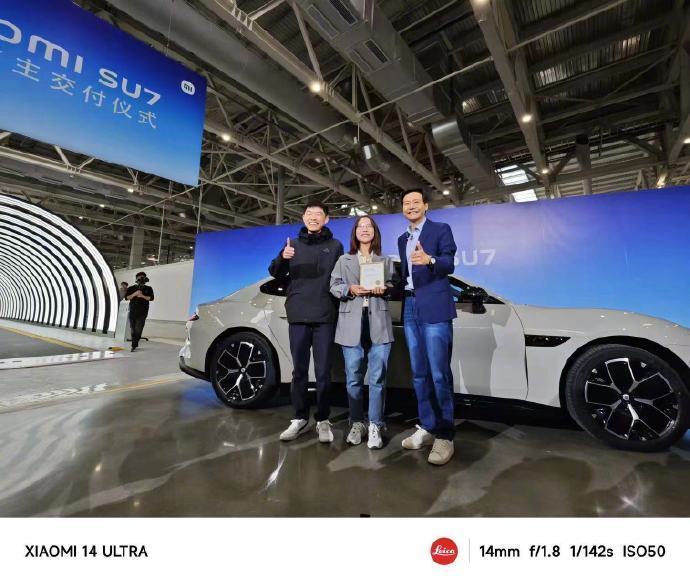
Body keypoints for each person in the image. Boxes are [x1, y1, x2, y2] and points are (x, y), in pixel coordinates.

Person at [269, 201, 344, 443]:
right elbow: (274, 272)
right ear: (303, 218)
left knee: (323, 372)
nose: (313, 217)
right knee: (299, 371)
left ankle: (323, 419)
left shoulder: (335, 246)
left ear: (326, 219)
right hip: (298, 315)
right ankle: (299, 417)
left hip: (325, 316)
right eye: (309, 213)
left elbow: (340, 279)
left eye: (318, 214)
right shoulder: (291, 244)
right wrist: (283, 258)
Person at [397, 188, 458, 465]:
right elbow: (405, 277)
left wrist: (430, 260)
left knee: (439, 374)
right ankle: (427, 425)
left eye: (415, 202)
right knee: (419, 374)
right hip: (410, 306)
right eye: (406, 203)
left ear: (425, 206)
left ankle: (445, 434)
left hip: (435, 306)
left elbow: (449, 263)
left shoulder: (441, 229)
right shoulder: (402, 238)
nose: (411, 206)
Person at [330, 215, 395, 449]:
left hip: (379, 322)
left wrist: (384, 288)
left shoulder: (385, 260)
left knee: (377, 378)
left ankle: (376, 424)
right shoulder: (343, 260)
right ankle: (357, 422)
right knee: (353, 379)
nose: (365, 229)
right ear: (355, 232)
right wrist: (350, 289)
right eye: (360, 226)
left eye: (369, 226)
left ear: (375, 232)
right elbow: (334, 285)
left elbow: (393, 286)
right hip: (351, 323)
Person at [126, 272, 154, 352]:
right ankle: (135, 343)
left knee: (139, 329)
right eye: (140, 277)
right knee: (133, 329)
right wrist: (135, 294)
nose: (141, 279)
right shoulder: (131, 288)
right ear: (136, 278)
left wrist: (142, 296)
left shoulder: (149, 288)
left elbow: (151, 298)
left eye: (143, 277)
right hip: (132, 311)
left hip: (143, 311)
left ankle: (134, 345)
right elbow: (127, 297)